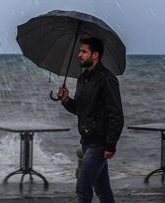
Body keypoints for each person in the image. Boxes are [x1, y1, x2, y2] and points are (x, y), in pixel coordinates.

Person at [57, 37, 124, 203]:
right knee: (103, 190)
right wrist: (66, 100)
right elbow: (80, 109)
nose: (79, 55)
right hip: (86, 141)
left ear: (95, 55)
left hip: (99, 143)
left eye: (83, 51)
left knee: (83, 187)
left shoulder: (107, 79)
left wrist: (110, 145)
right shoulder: (82, 79)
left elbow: (117, 114)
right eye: (79, 51)